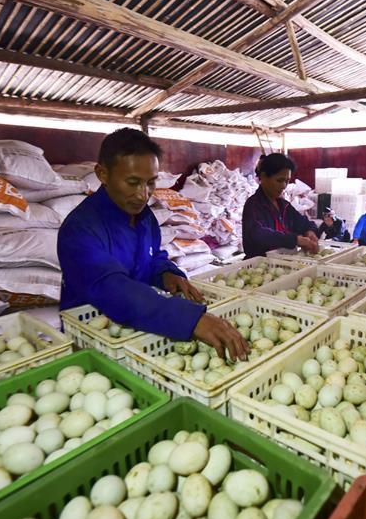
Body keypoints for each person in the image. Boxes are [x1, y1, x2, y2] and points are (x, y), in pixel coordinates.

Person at [58, 128, 248, 360]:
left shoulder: (144, 217)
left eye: (150, 183)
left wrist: (166, 273)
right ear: (102, 174)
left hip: (137, 326)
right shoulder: (81, 229)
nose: (143, 194)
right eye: (133, 182)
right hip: (91, 338)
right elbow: (111, 287)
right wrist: (191, 319)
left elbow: (152, 257)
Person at [242, 153, 320, 258]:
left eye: (287, 181)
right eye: (279, 180)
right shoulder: (253, 206)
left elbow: (304, 223)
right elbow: (259, 234)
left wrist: (310, 232)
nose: (284, 186)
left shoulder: (284, 205)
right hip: (260, 264)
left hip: (282, 262)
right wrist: (295, 240)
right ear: (264, 176)